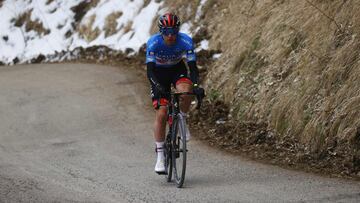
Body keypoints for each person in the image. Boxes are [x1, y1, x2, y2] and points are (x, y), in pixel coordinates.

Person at [145, 13, 205, 174]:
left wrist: (196, 86)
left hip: (177, 70)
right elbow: (149, 71)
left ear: (178, 30)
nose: (170, 36)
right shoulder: (154, 43)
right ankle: (160, 157)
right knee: (162, 113)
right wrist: (157, 86)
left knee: (186, 91)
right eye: (166, 32)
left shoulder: (185, 41)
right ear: (161, 31)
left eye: (173, 31)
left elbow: (192, 68)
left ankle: (182, 119)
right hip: (158, 74)